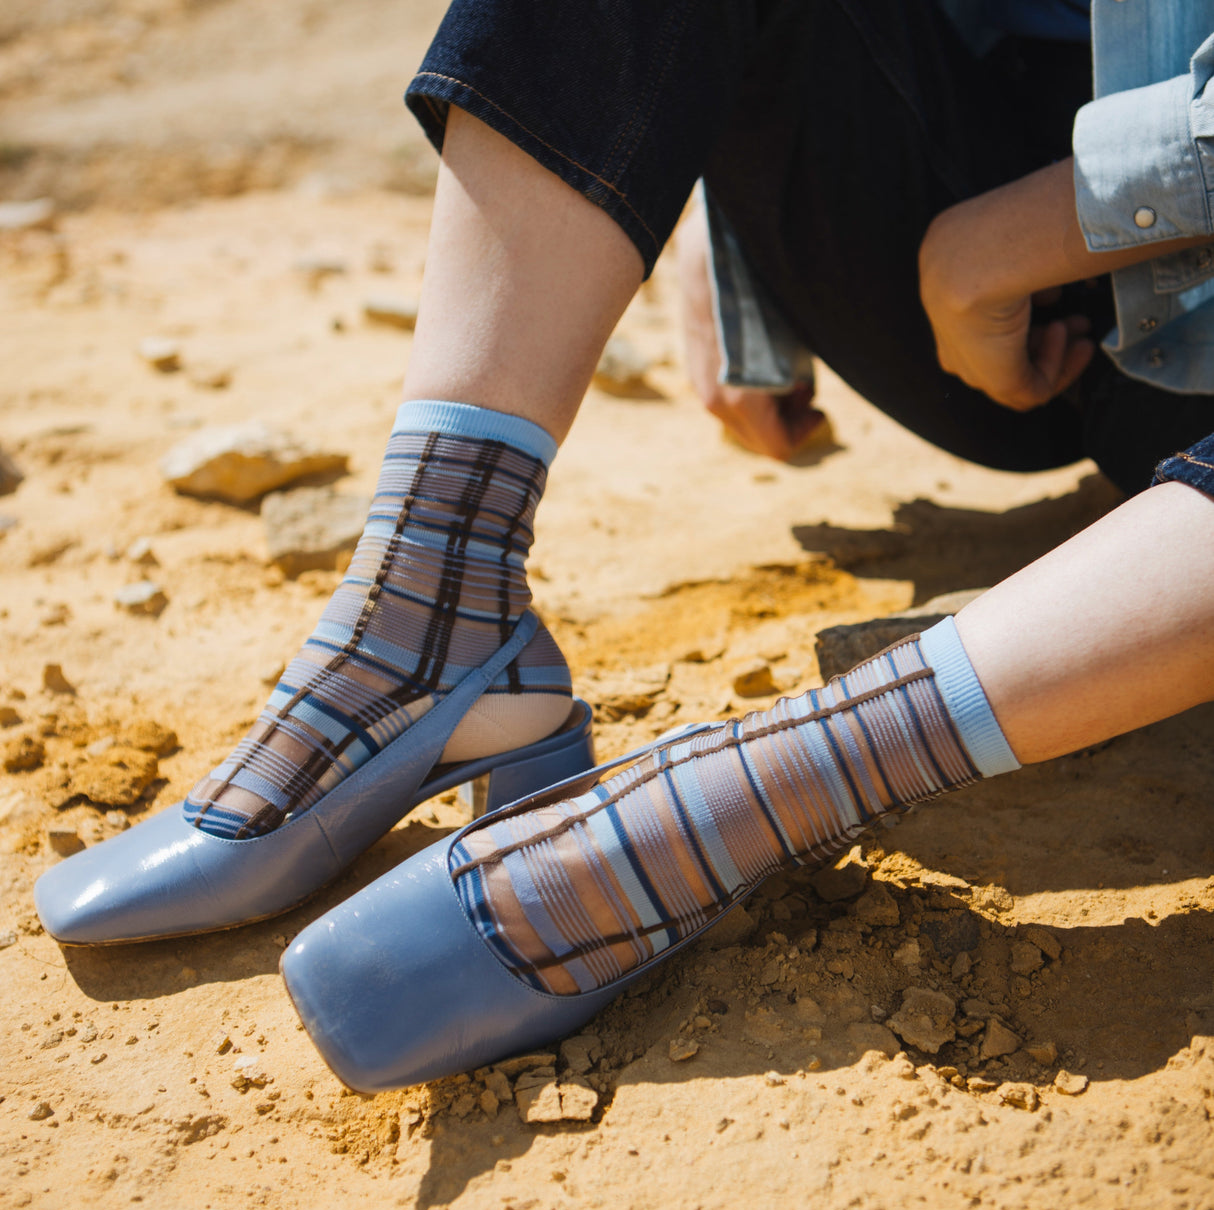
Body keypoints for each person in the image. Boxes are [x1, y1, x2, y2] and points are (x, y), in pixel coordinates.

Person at [34, 0, 1214, 1090]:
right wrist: (726, 210)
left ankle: (761, 787)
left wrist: (1003, 243)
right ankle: (433, 595)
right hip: (995, 281)